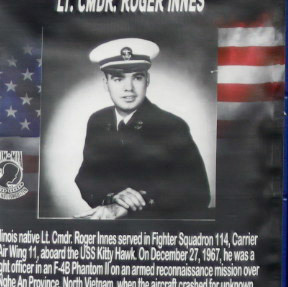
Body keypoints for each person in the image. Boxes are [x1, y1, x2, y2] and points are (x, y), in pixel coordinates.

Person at [73, 38, 211, 219]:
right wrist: (111, 197)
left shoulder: (171, 126)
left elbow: (199, 193)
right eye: (118, 79)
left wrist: (129, 206)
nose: (128, 88)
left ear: (147, 80)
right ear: (106, 83)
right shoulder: (98, 121)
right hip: (111, 226)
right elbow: (85, 178)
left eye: (137, 77)